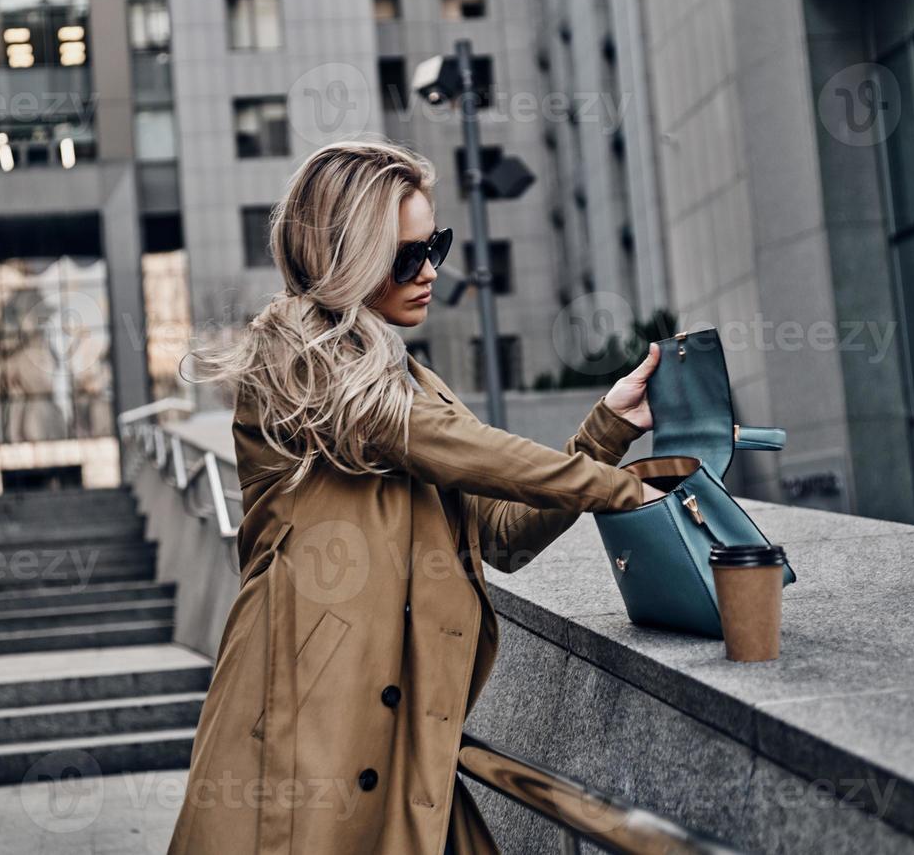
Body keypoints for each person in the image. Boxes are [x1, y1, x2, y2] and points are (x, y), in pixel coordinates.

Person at [167, 137, 664, 854]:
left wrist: (609, 429)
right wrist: (626, 492)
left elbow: (505, 532)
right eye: (405, 256)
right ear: (347, 256)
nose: (429, 271)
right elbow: (426, 441)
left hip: (406, 740)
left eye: (436, 246)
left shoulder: (416, 386)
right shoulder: (294, 357)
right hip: (309, 730)